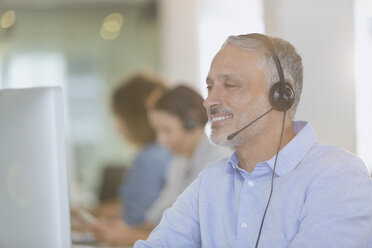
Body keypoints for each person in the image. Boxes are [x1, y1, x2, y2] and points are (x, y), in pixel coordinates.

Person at [134, 34, 372, 248]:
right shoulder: (211, 181)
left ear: (281, 95)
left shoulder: (338, 175)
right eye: (210, 87)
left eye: (230, 85)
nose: (209, 101)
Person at [93, 85, 231, 246]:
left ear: (191, 121)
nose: (160, 140)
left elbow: (194, 240)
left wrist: (128, 236)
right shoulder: (178, 163)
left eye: (166, 130)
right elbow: (156, 220)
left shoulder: (218, 162)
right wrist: (121, 232)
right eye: (158, 131)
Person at [103, 73, 171, 226]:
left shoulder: (151, 157)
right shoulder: (158, 152)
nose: (117, 128)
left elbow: (133, 219)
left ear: (134, 118)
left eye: (118, 116)